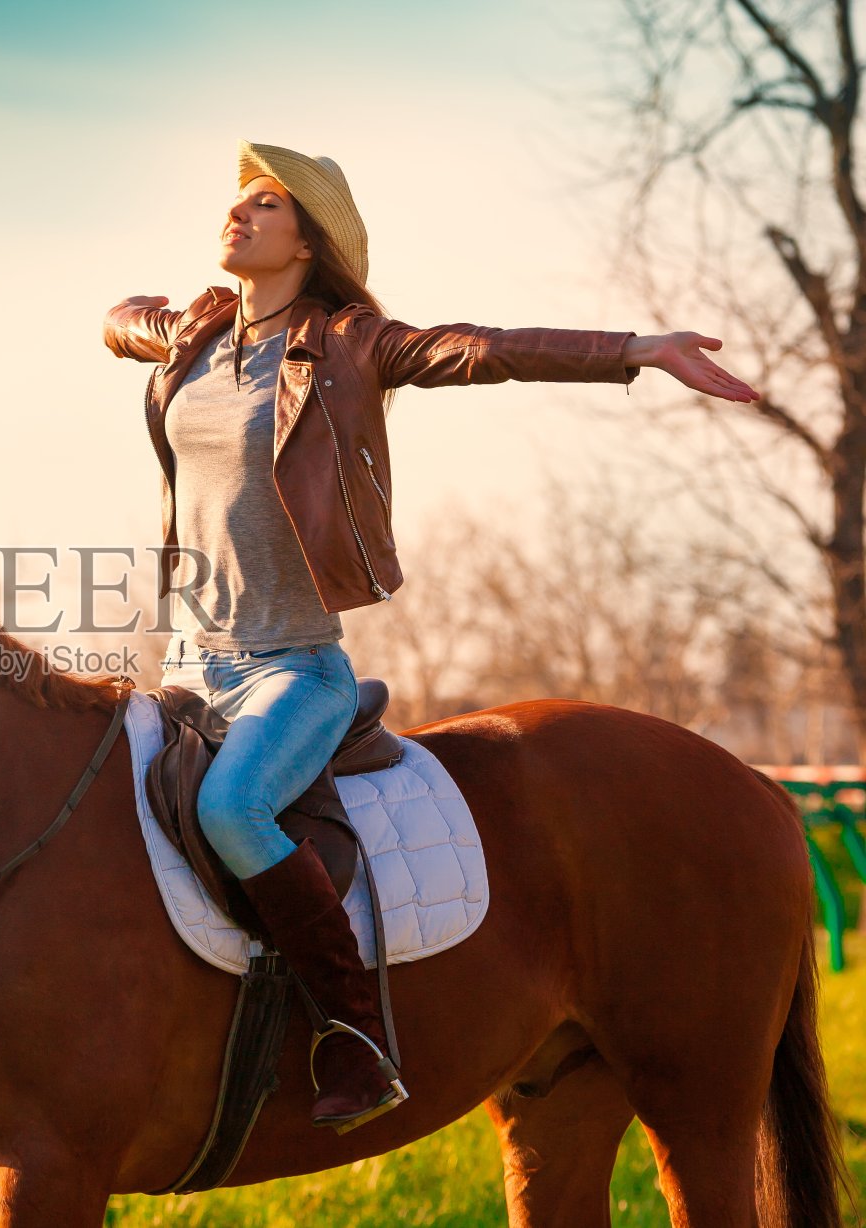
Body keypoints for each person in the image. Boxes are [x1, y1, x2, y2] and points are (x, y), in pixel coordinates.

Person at [102, 139, 758, 1134]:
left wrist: (636, 350)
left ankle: (355, 1038)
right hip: (189, 667)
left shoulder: (349, 343)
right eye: (235, 201)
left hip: (292, 669)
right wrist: (129, 322)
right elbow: (120, 323)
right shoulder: (196, 335)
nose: (238, 213)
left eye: (265, 204)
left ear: (308, 239)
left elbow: (481, 348)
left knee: (237, 809)